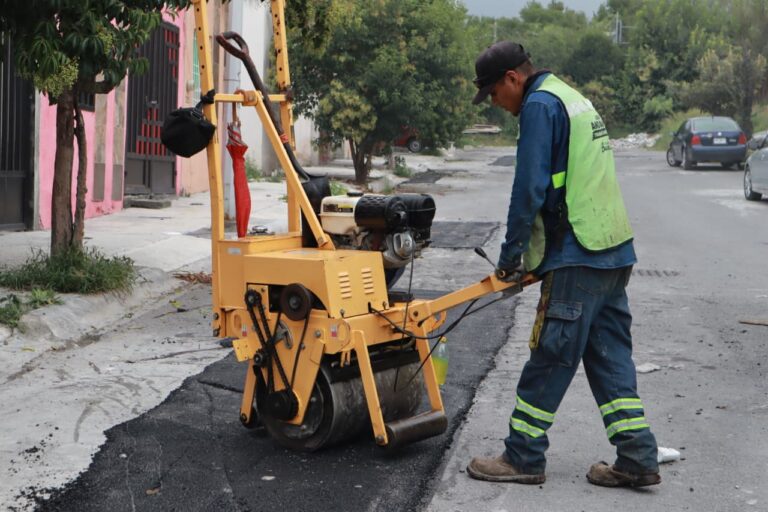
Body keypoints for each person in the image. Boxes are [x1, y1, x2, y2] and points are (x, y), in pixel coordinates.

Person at [466, 41, 661, 488]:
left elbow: (529, 188)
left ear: (512, 79)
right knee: (609, 356)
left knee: (551, 355)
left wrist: (511, 256)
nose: (496, 104)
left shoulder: (539, 105)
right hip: (613, 251)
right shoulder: (571, 98)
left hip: (580, 254)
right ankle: (637, 456)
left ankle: (522, 456)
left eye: (494, 94)